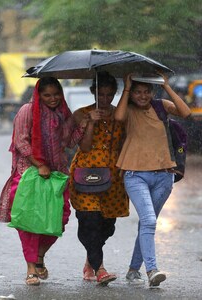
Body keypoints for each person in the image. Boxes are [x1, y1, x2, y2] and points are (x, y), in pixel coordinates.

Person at [0, 77, 87, 286]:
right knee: (30, 222)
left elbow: (68, 141)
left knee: (59, 218)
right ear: (39, 94)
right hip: (30, 172)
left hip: (56, 173)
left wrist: (84, 123)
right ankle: (31, 269)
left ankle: (38, 257)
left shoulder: (62, 113)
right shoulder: (27, 111)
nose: (53, 99)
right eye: (47, 95)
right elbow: (21, 141)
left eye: (56, 94)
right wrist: (40, 164)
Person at [114, 72, 191, 287]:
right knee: (148, 221)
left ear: (152, 91)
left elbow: (186, 112)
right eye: (138, 92)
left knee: (147, 224)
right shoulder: (127, 109)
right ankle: (151, 270)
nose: (142, 96)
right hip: (135, 174)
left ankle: (132, 270)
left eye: (146, 91)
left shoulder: (161, 106)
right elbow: (118, 118)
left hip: (164, 175)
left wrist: (166, 86)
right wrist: (127, 87)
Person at [69, 72, 129, 286]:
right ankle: (100, 269)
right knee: (89, 221)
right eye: (101, 94)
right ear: (93, 92)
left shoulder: (120, 115)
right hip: (85, 173)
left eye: (109, 95)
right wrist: (90, 123)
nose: (105, 99)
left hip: (113, 176)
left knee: (106, 225)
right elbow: (83, 147)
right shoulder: (80, 114)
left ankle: (91, 260)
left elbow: (124, 144)